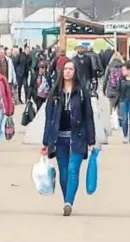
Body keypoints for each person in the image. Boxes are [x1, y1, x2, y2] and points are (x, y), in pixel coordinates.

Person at [41, 59, 96, 217]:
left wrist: (91, 140)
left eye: (71, 69)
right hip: (59, 139)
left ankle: (68, 202)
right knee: (63, 172)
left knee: (73, 169)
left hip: (77, 137)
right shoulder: (55, 93)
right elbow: (49, 118)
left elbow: (88, 116)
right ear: (61, 72)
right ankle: (67, 199)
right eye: (65, 69)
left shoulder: (81, 92)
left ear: (75, 72)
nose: (68, 72)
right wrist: (46, 142)